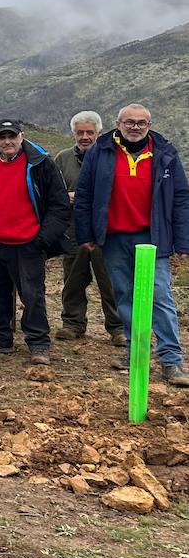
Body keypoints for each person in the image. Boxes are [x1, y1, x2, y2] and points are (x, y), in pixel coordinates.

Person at [74, 103, 189, 386]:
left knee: (160, 297)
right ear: (118, 123)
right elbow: (85, 193)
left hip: (153, 237)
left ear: (149, 125)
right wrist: (86, 234)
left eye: (141, 122)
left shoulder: (165, 153)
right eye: (129, 122)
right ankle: (135, 350)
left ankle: (171, 360)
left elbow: (181, 198)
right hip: (114, 237)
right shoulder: (100, 152)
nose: (135, 127)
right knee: (124, 295)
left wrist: (183, 240)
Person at [0, 119, 71, 365]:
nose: (7, 141)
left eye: (12, 136)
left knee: (32, 296)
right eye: (2, 137)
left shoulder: (41, 164)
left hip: (27, 244)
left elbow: (59, 205)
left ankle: (38, 343)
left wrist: (42, 240)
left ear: (21, 136)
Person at [53, 111, 124, 345]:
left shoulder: (114, 156)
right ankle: (73, 324)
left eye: (89, 132)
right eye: (80, 132)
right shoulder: (62, 159)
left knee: (111, 281)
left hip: (107, 232)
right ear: (73, 133)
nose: (85, 137)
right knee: (73, 280)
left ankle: (118, 328)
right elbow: (51, 193)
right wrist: (66, 197)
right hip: (73, 231)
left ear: (99, 133)